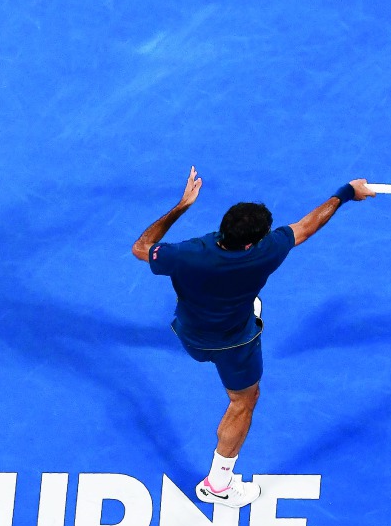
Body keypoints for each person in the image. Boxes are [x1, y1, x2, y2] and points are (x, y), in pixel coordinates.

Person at [132, 167, 375, 507]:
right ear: (250, 244)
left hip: (190, 334)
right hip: (235, 343)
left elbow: (142, 247)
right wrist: (346, 192)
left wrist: (182, 205)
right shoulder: (268, 251)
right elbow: (308, 226)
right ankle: (218, 485)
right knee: (243, 401)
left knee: (222, 321)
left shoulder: (185, 255)